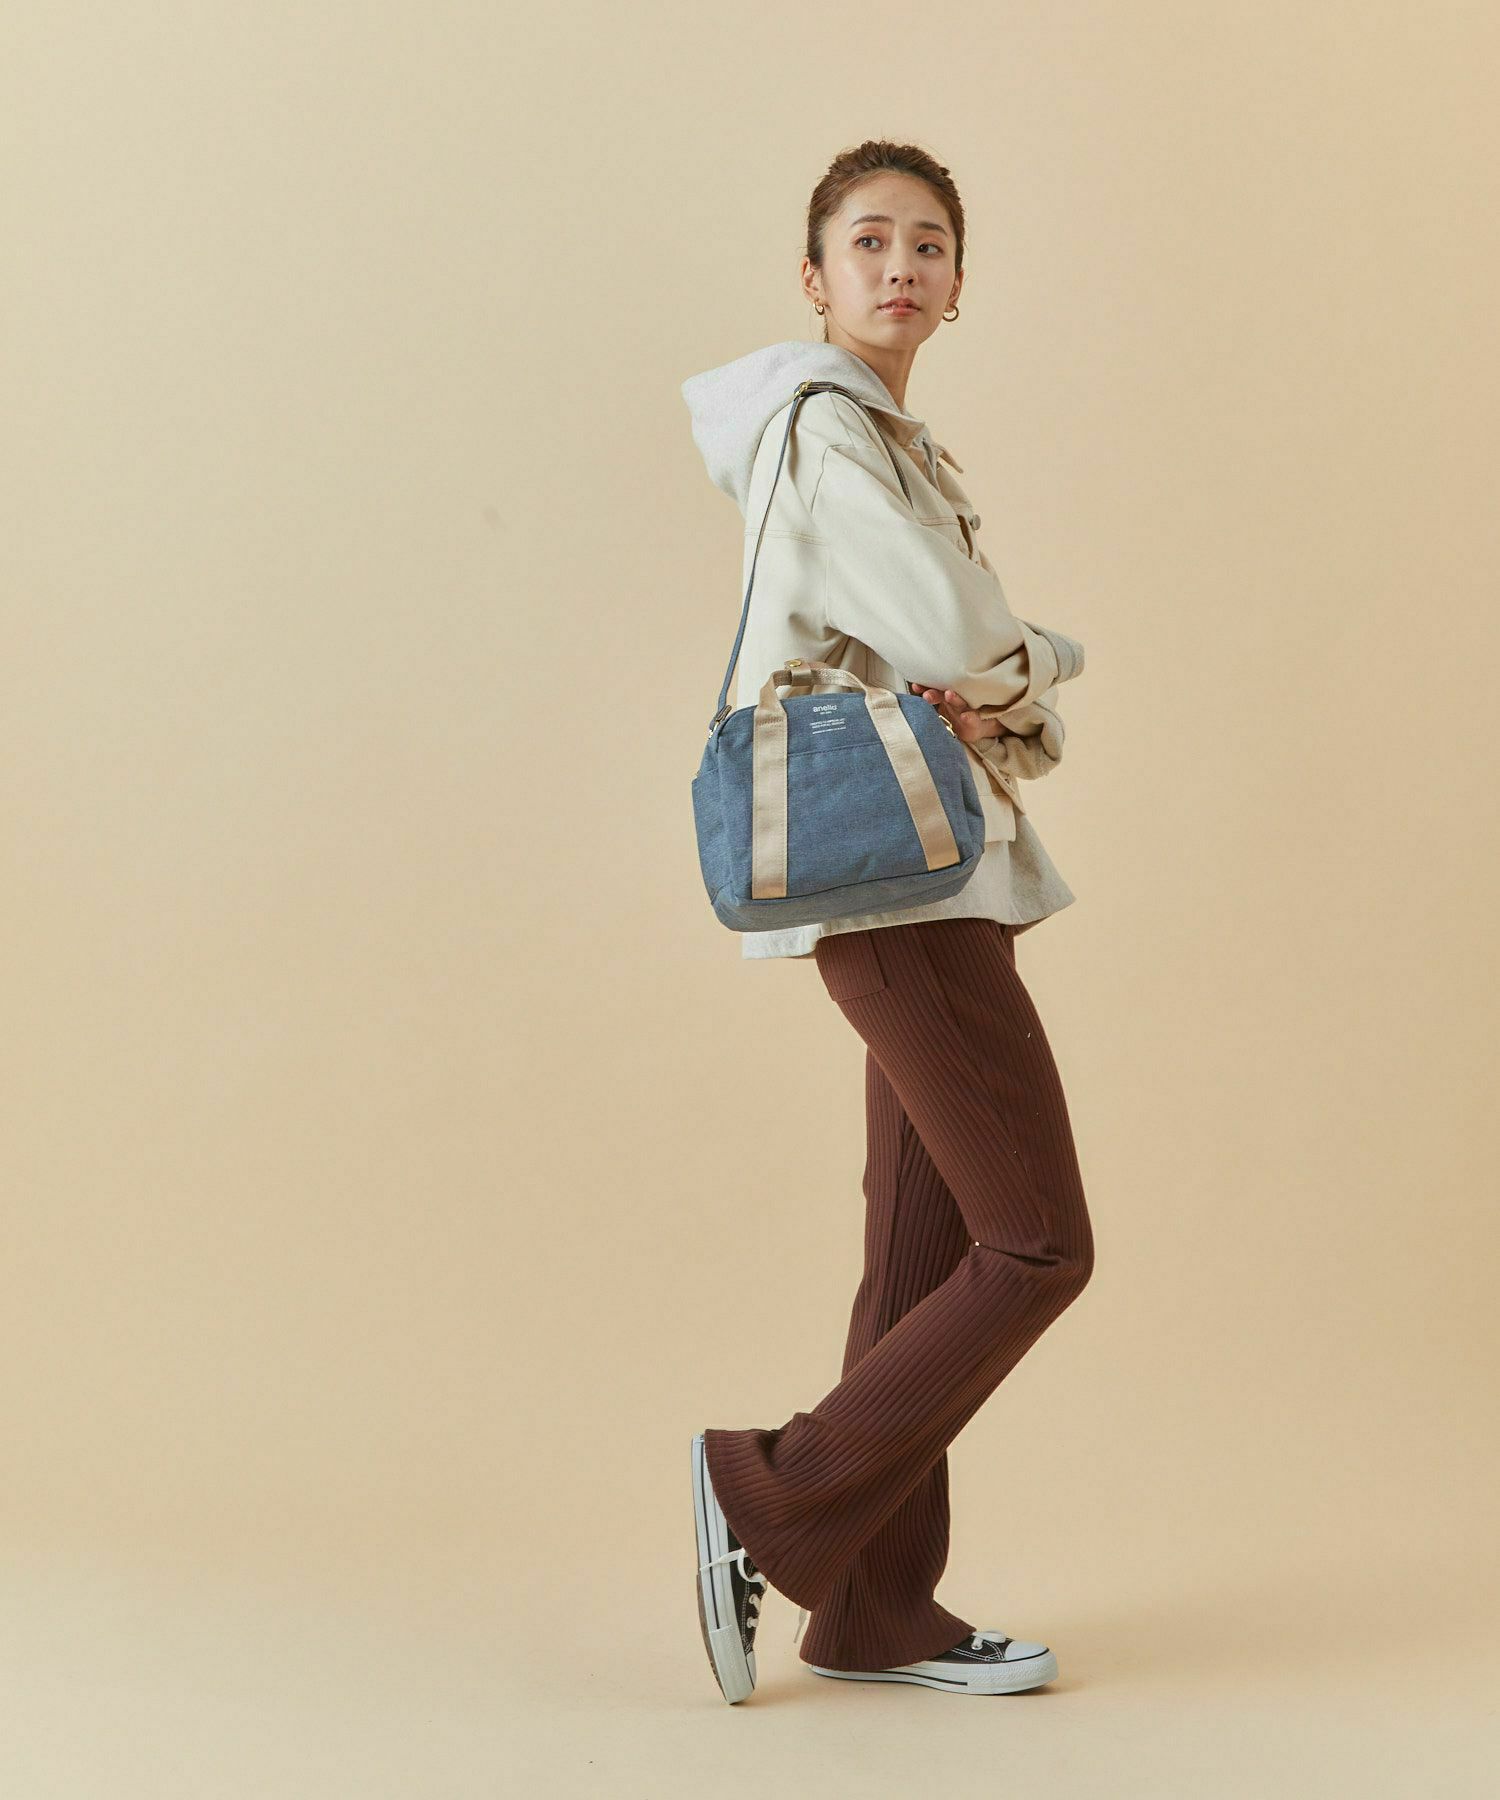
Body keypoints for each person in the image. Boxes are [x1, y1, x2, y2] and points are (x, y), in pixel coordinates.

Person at [683, 139, 1096, 1704]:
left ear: (959, 284)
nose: (901, 265)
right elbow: (947, 634)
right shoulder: (825, 427)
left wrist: (996, 674)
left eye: (929, 244)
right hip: (902, 882)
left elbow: (977, 680)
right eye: (869, 241)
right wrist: (1036, 655)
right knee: (1036, 1243)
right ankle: (767, 1490)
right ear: (815, 277)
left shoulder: (897, 446)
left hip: (934, 872)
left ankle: (872, 1607)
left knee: (919, 1263)